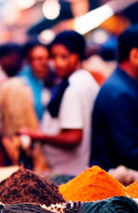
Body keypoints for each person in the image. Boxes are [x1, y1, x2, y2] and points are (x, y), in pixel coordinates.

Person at [21, 31, 99, 175]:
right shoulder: (83, 80)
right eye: (54, 57)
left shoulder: (75, 88)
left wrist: (38, 136)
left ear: (77, 56)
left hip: (70, 172)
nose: (57, 63)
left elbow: (73, 137)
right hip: (75, 168)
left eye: (64, 57)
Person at [90, 24, 138, 171]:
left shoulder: (130, 87)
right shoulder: (119, 93)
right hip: (117, 182)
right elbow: (127, 152)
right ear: (135, 55)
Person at [19, 40, 51, 121]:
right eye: (39, 58)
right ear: (29, 61)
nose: (44, 62)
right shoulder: (22, 83)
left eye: (47, 58)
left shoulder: (50, 78)